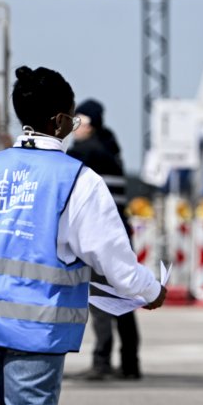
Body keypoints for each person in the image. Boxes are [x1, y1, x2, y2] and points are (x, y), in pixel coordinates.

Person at [0, 66, 166, 405]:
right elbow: (113, 259)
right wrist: (152, 291)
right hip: (34, 327)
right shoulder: (77, 179)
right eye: (71, 118)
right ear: (59, 121)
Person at [67, 98, 142, 381]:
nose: (75, 128)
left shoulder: (86, 153)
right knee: (124, 299)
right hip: (121, 234)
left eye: (80, 122)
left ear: (93, 124)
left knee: (101, 299)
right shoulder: (112, 150)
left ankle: (101, 362)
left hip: (102, 237)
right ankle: (130, 362)